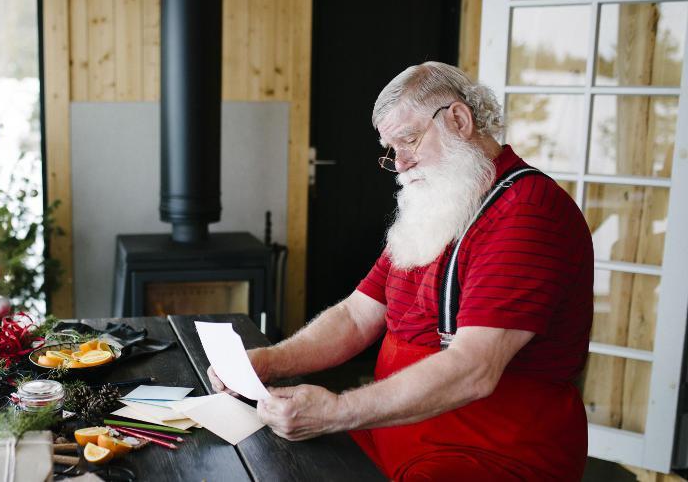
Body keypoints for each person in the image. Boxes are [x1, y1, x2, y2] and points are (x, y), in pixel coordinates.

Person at [209, 62, 592, 481]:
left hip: (488, 453)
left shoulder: (527, 213)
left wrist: (337, 411)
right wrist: (268, 362)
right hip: (395, 432)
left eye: (409, 140)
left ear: (459, 119)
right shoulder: (440, 205)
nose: (402, 163)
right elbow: (357, 316)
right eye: (392, 149)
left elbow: (474, 369)